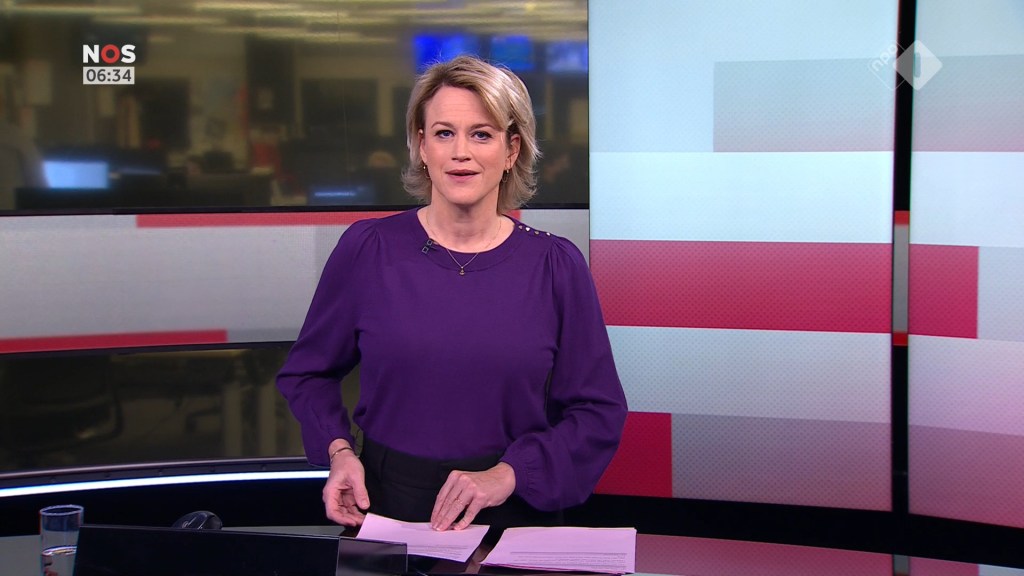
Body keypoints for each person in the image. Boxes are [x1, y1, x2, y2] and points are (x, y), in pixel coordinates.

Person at [276, 55, 627, 537]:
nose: (461, 152)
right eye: (444, 133)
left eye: (481, 134)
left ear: (511, 149)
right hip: (388, 504)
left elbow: (597, 412)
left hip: (512, 510)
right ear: (422, 146)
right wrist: (338, 451)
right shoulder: (367, 249)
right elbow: (308, 373)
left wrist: (510, 474)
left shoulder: (556, 266)